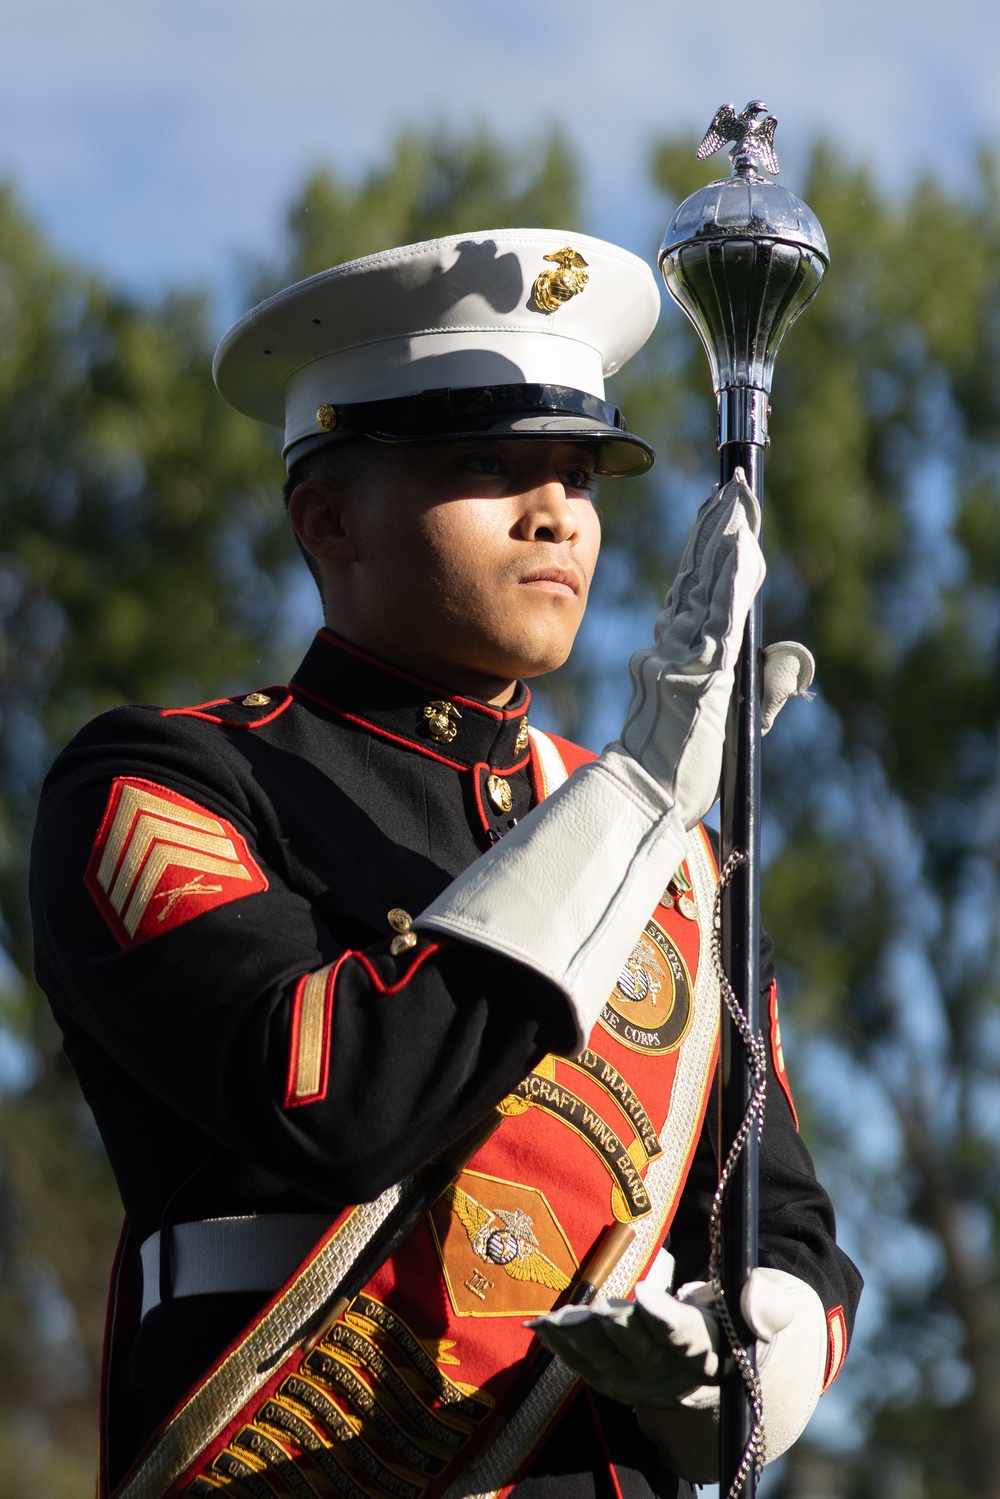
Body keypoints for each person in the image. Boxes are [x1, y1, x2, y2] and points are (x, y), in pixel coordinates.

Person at [30, 229, 861, 1499]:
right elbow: (335, 1099)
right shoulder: (165, 779)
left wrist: (742, 1368)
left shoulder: (676, 851)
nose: (557, 514)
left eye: (580, 473)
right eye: (487, 463)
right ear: (328, 517)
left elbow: (779, 1218)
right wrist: (629, 796)